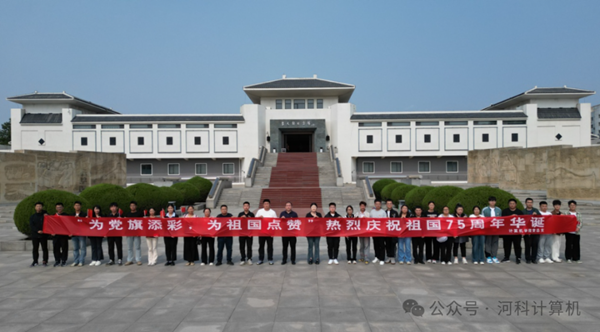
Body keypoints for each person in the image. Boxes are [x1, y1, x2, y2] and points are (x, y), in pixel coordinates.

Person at [501, 199, 524, 264]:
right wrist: (510, 217)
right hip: (507, 232)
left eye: (513, 203)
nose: (512, 205)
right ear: (508, 204)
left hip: (516, 232)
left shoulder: (519, 212)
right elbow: (502, 220)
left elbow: (523, 221)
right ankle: (506, 257)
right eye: (510, 203)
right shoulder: (505, 211)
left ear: (516, 204)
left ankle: (518, 257)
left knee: (517, 245)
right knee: (506, 245)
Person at [256, 199, 277, 265]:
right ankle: (260, 259)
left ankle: (270, 259)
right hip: (261, 232)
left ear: (269, 204)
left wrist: (273, 232)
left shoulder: (273, 212)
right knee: (261, 246)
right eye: (265, 204)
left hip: (269, 233)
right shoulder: (260, 211)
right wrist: (259, 217)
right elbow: (255, 219)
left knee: (270, 246)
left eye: (267, 204)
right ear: (263, 205)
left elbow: (275, 221)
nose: (266, 205)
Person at [482, 196, 501, 264]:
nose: (492, 202)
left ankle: (494, 256)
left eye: (493, 201)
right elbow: (482, 218)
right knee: (488, 242)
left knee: (495, 242)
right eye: (491, 201)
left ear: (495, 202)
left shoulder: (498, 210)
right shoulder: (485, 209)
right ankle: (488, 256)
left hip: (496, 229)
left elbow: (501, 219)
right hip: (488, 229)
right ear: (488, 202)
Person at [125, 201, 144, 266]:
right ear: (129, 207)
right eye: (131, 206)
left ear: (136, 206)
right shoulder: (127, 214)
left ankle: (138, 260)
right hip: (129, 233)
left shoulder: (139, 214)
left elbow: (142, 222)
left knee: (137, 247)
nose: (132, 207)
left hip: (137, 233)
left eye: (134, 205)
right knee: (129, 247)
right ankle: (129, 260)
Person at [29, 201, 48, 267]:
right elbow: (32, 225)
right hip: (35, 235)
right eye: (37, 206)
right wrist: (37, 231)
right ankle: (35, 261)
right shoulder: (33, 216)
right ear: (35, 207)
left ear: (42, 207)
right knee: (35, 248)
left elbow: (48, 223)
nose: (39, 207)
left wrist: (46, 215)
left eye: (40, 206)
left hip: (43, 234)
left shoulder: (45, 215)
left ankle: (45, 261)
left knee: (44, 248)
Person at [523, 198, 540, 264]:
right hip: (527, 231)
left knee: (535, 245)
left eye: (531, 202)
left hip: (535, 230)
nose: (529, 203)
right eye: (528, 202)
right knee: (527, 245)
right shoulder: (523, 211)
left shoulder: (536, 210)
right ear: (526, 203)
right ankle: (528, 258)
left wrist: (537, 215)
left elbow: (541, 218)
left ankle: (534, 258)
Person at [370, 199, 387, 266]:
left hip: (381, 232)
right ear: (374, 204)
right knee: (375, 245)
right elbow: (369, 221)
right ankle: (376, 257)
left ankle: (382, 259)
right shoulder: (372, 212)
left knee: (381, 245)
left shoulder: (383, 212)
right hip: (374, 231)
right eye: (376, 204)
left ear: (380, 205)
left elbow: (385, 221)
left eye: (379, 204)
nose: (377, 205)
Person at [70, 201, 87, 267]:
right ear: (74, 207)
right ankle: (75, 261)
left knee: (82, 247)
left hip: (81, 233)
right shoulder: (71, 215)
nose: (77, 207)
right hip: (74, 234)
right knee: (75, 248)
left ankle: (81, 261)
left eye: (78, 205)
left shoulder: (84, 214)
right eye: (76, 205)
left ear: (80, 206)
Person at [52, 202, 69, 267]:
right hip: (56, 235)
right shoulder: (53, 216)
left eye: (60, 207)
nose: (59, 209)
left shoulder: (66, 215)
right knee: (56, 248)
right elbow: (50, 225)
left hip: (63, 235)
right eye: (57, 207)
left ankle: (64, 260)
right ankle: (57, 260)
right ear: (56, 208)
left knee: (64, 248)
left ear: (63, 208)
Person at [238, 201, 254, 265]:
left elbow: (254, 224)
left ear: (249, 207)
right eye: (245, 206)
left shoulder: (252, 214)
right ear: (243, 207)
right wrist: (241, 218)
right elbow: (237, 222)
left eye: (247, 206)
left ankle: (249, 258)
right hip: (241, 233)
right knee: (242, 246)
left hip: (249, 233)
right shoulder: (240, 214)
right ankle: (242, 259)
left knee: (249, 246)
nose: (246, 207)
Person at [384, 199, 399, 264]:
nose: (389, 205)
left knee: (393, 245)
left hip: (393, 232)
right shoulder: (384, 212)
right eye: (388, 204)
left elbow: (398, 221)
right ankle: (388, 257)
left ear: (392, 204)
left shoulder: (395, 212)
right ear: (386, 205)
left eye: (390, 203)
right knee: (387, 244)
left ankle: (392, 257)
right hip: (386, 231)